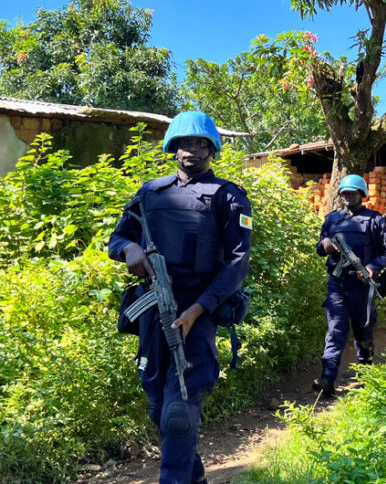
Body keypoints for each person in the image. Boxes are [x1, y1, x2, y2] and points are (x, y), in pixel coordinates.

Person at [108, 111, 252, 484]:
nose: (191, 149)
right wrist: (130, 251)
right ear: (173, 148)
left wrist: (197, 309)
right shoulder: (150, 192)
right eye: (184, 143)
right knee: (158, 407)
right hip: (153, 307)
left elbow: (237, 263)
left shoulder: (228, 197)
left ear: (211, 149)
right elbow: (117, 239)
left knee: (178, 411)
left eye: (199, 143)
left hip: (198, 310)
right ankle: (196, 477)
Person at [313, 174, 386, 397]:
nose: (348, 197)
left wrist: (371, 267)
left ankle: (365, 375)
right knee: (335, 331)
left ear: (362, 195)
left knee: (364, 332)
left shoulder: (377, 220)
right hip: (338, 284)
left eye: (353, 193)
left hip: (363, 287)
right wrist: (325, 243)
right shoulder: (332, 220)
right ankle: (327, 380)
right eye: (345, 193)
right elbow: (319, 247)